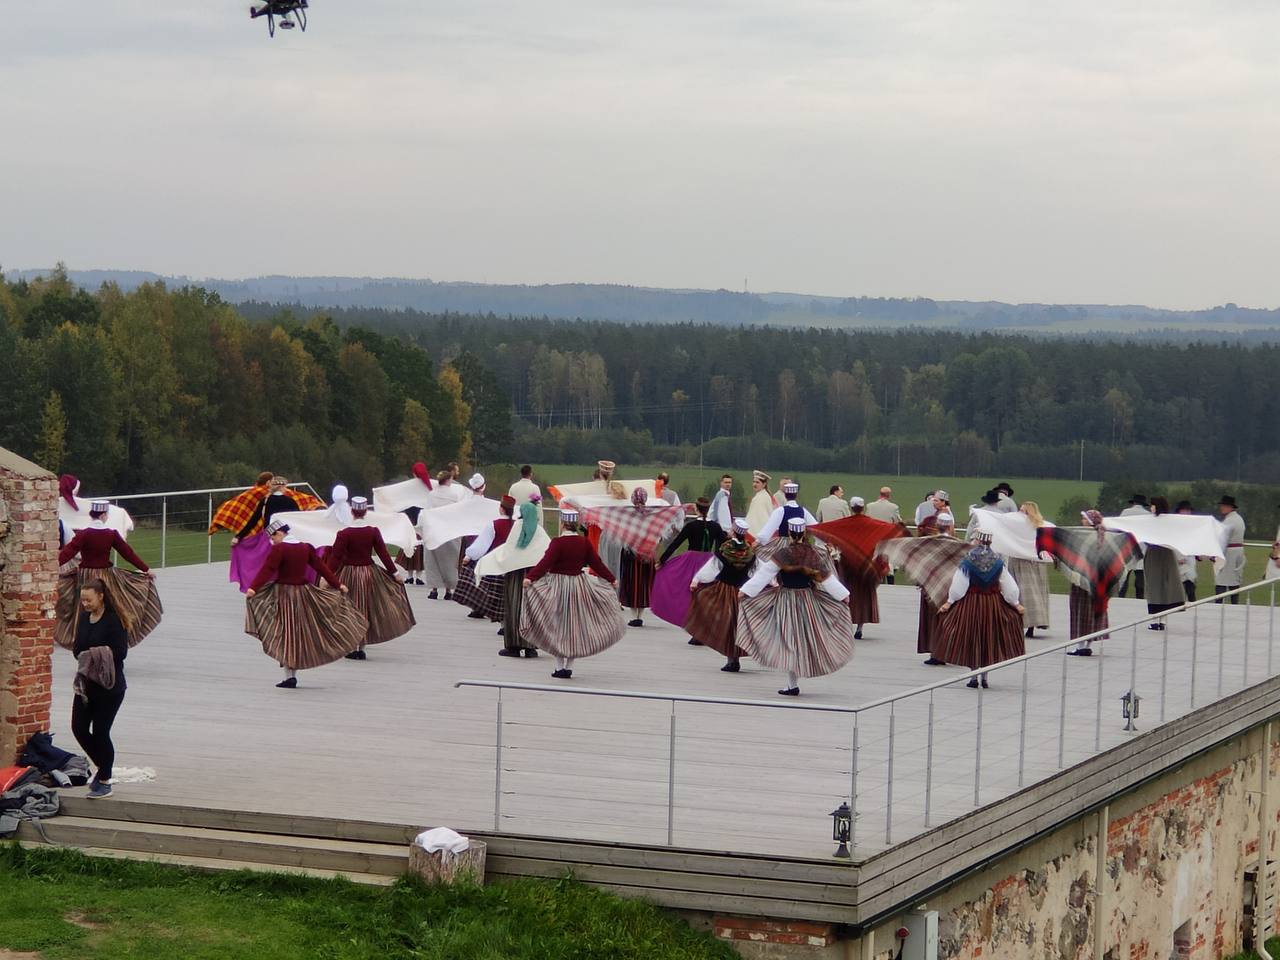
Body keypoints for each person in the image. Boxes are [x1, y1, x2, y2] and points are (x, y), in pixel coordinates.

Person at [736, 516, 855, 696]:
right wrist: (843, 596)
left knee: (790, 640)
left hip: (787, 599)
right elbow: (827, 579)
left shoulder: (783, 554)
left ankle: (792, 684)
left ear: (790, 534)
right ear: (803, 533)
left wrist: (746, 591)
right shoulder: (812, 554)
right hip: (807, 600)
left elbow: (764, 574)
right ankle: (793, 682)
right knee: (801, 639)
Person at [244, 519, 366, 688]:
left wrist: (253, 588)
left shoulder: (279, 549)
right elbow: (321, 567)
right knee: (297, 632)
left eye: (273, 538)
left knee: (285, 633)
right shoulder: (305, 548)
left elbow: (268, 570)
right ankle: (291, 674)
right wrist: (338, 584)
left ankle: (289, 676)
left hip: (284, 595)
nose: (273, 542)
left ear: (279, 533)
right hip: (303, 594)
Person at [522, 508, 626, 679]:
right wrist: (611, 579)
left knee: (558, 627)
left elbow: (545, 563)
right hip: (578, 587)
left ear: (562, 524)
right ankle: (569, 667)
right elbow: (597, 563)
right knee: (575, 627)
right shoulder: (583, 543)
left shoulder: (557, 543)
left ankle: (558, 667)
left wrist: (530, 578)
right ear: (576, 525)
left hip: (558, 587)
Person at [57, 501, 162, 651]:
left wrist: (51, 567)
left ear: (92, 515)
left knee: (83, 609)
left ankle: (83, 643)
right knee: (111, 608)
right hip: (105, 577)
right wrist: (146, 569)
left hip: (85, 576)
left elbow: (68, 553)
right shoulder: (111, 534)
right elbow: (128, 554)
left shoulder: (84, 534)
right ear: (104, 515)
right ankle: (110, 641)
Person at [329, 497, 415, 659]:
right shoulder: (373, 531)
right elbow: (383, 554)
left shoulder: (344, 533)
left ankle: (352, 646)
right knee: (365, 608)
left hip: (349, 573)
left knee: (350, 608)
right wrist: (395, 574)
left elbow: (336, 557)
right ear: (365, 512)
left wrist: (327, 576)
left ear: (352, 512)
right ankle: (361, 647)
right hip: (369, 573)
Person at [936, 534, 1026, 689]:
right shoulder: (998, 561)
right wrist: (1016, 603)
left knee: (973, 638)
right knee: (988, 638)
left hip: (972, 603)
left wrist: (949, 602)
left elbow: (959, 585)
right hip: (992, 604)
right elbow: (1008, 585)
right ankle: (984, 677)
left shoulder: (968, 560)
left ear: (977, 541)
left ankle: (973, 677)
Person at [71, 578, 130, 799]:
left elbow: (120, 652)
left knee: (101, 731)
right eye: (83, 600)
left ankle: (105, 780)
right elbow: (77, 647)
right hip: (86, 684)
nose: (85, 604)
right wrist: (86, 656)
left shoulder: (115, 620)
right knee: (78, 728)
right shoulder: (85, 619)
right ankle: (104, 767)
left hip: (109, 687)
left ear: (101, 596)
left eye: (89, 599)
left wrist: (94, 654)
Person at [228, 475, 321, 592]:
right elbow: (298, 521)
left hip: (267, 539)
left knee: (266, 566)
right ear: (284, 487)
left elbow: (253, 521)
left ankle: (261, 588)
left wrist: (239, 536)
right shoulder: (290, 501)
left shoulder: (265, 501)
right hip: (287, 539)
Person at [687, 518, 757, 671]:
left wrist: (696, 579)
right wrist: (771, 583)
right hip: (743, 592)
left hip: (725, 591)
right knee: (739, 625)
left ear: (733, 531)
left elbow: (712, 568)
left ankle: (732, 659)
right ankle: (735, 658)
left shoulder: (725, 549)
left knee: (727, 624)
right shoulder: (750, 552)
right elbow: (758, 571)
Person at [460, 496, 523, 645]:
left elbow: (481, 545)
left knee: (498, 595)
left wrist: (469, 555)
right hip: (513, 564)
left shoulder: (493, 525)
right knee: (509, 595)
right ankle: (506, 623)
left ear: (501, 508)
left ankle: (500, 622)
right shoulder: (517, 526)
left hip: (496, 564)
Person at [419, 469, 468, 599]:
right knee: (450, 560)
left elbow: (427, 513)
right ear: (448, 480)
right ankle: (449, 590)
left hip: (434, 531)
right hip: (449, 532)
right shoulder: (453, 495)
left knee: (433, 561)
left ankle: (434, 589)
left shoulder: (432, 495)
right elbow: (456, 513)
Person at [1138, 496, 1186, 630]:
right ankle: (1157, 619)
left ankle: (1161, 620)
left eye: (1152, 505)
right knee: (1155, 586)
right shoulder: (1151, 520)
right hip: (1157, 554)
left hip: (1161, 553)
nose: (1151, 507)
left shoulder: (1166, 521)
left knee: (1163, 586)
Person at [1008, 501, 1051, 639]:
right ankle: (1021, 623)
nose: (1021, 513)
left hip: (1030, 561)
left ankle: (1032, 623)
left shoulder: (1038, 526)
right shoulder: (1022, 525)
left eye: (1024, 511)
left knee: (1029, 593)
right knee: (1019, 592)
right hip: (1023, 560)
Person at [918, 512, 956, 665]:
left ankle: (935, 652)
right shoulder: (956, 543)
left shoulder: (927, 543)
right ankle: (947, 651)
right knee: (947, 619)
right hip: (948, 586)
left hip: (930, 585)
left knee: (931, 619)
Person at [618, 488, 660, 626]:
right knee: (643, 584)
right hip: (648, 554)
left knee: (632, 583)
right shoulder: (651, 515)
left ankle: (634, 615)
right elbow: (657, 535)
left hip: (631, 554)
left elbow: (623, 534)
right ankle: (640, 616)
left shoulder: (629, 515)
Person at [1117, 494, 1151, 598]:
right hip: (1141, 546)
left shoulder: (1125, 512)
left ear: (1134, 503)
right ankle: (1140, 597)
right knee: (1139, 573)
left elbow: (1119, 529)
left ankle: (1121, 596)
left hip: (1127, 546)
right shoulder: (1148, 515)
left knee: (1125, 574)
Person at [1215, 494, 1246, 604]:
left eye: (1225, 506)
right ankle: (1234, 604)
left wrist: (1216, 554)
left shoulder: (1230, 521)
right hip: (1237, 552)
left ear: (1231, 507)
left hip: (1229, 553)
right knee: (1234, 581)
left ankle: (1219, 605)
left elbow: (1223, 539)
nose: (1222, 507)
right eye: (1222, 505)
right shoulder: (1237, 518)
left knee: (1222, 581)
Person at [1176, 501, 1200, 601]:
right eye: (1184, 510)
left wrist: (1197, 553)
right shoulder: (1175, 525)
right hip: (1178, 558)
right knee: (1178, 588)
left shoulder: (1193, 525)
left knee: (1190, 587)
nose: (1187, 512)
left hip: (1189, 559)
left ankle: (1192, 608)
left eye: (1188, 511)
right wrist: (1177, 558)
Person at [745, 471, 777, 536]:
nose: (754, 484)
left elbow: (761, 519)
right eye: (753, 482)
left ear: (764, 484)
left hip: (757, 533)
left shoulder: (762, 497)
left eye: (757, 482)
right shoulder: (762, 496)